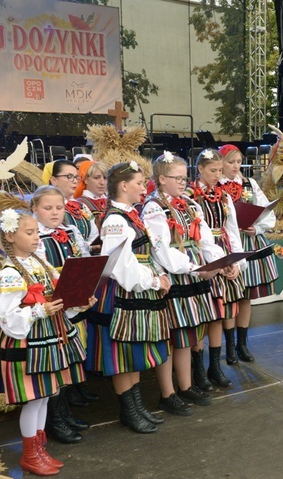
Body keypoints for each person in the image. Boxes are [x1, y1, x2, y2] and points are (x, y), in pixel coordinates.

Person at [0, 209, 95, 476]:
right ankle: (30, 454)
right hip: (28, 342)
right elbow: (6, 318)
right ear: (10, 235)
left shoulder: (41, 263)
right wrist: (39, 311)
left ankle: (38, 449)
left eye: (37, 231)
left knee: (45, 396)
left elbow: (59, 299)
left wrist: (77, 301)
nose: (37, 237)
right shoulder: (10, 273)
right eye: (30, 232)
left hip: (48, 337)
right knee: (34, 398)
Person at [85, 161, 172, 434]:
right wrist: (153, 280)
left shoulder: (129, 215)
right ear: (123, 186)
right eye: (138, 183)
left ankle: (136, 406)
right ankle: (128, 410)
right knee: (121, 354)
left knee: (132, 352)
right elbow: (120, 266)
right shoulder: (114, 220)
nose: (143, 188)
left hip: (135, 292)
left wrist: (157, 274)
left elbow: (140, 255)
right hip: (122, 293)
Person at [142, 152, 221, 409]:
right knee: (171, 336)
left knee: (188, 334)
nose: (184, 182)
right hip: (177, 275)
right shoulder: (154, 207)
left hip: (195, 272)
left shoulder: (188, 203)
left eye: (185, 178)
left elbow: (206, 238)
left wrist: (220, 262)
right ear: (162, 179)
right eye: (178, 178)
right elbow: (161, 250)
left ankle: (186, 386)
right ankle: (168, 393)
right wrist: (196, 268)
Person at [31, 186, 91, 444]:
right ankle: (53, 420)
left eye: (59, 207)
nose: (55, 212)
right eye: (48, 208)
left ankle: (64, 412)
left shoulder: (70, 231)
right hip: (49, 302)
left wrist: (85, 288)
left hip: (71, 298)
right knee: (54, 362)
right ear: (34, 209)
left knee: (66, 360)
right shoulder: (35, 237)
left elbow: (84, 259)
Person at [186, 150, 245, 389]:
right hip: (202, 254)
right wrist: (215, 263)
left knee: (221, 312)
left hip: (224, 250)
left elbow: (232, 229)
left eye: (220, 170)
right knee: (204, 312)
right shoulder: (190, 195)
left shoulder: (223, 195)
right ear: (199, 169)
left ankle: (215, 366)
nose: (218, 175)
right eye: (213, 171)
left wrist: (237, 261)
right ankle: (198, 369)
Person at [219, 144, 278, 364]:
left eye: (238, 162)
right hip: (227, 244)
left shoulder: (249, 183)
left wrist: (257, 227)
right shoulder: (216, 186)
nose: (235, 166)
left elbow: (265, 210)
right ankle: (229, 346)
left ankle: (242, 344)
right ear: (221, 163)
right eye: (230, 162)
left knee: (245, 296)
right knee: (228, 297)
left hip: (248, 241)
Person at [43, 159, 99, 256]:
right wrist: (88, 247)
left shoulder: (81, 206)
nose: (75, 181)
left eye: (76, 177)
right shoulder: (45, 207)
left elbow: (94, 235)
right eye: (69, 176)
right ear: (54, 180)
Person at [73, 160, 109, 239]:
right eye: (96, 178)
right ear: (85, 180)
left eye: (105, 178)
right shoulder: (79, 204)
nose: (102, 182)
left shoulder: (112, 201)